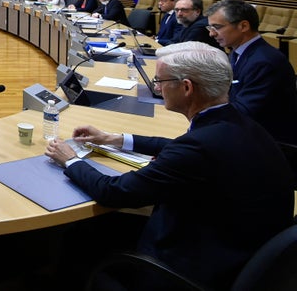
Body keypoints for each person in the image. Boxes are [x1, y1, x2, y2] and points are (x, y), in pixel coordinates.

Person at [45, 43, 294, 289]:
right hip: (237, 246)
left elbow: (114, 191)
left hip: (190, 267)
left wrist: (70, 159)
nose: (156, 87)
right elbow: (180, 146)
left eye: (160, 81)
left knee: (78, 238)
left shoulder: (199, 147)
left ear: (186, 87)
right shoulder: (234, 122)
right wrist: (114, 139)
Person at [205, 0, 297, 144]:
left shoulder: (264, 62)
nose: (211, 34)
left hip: (268, 143)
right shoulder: (237, 52)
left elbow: (244, 111)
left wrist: (201, 112)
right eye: (210, 28)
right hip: (245, 131)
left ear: (243, 26)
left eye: (217, 27)